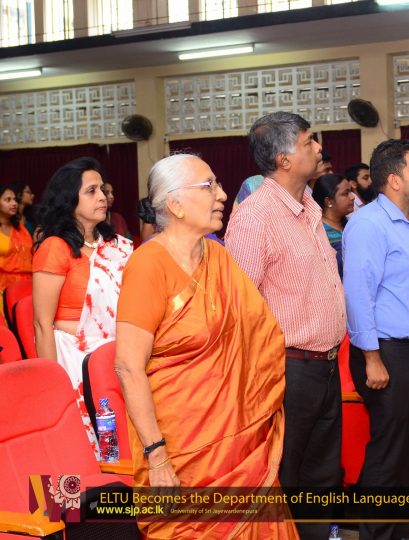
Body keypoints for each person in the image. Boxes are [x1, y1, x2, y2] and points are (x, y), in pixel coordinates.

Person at [114, 154, 296, 539]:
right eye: (209, 185)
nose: (222, 194)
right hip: (181, 446)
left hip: (240, 440)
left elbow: (259, 336)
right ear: (175, 205)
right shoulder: (148, 265)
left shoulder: (219, 257)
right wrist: (157, 455)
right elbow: (128, 366)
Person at [226, 112, 346, 540]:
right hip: (286, 369)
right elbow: (239, 311)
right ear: (283, 159)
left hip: (326, 364)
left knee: (322, 474)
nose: (318, 148)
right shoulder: (254, 218)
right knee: (286, 474)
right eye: (309, 142)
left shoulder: (309, 206)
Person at [343, 139, 409, 540]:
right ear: (394, 180)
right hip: (388, 353)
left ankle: (398, 533)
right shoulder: (369, 225)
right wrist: (371, 358)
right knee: (389, 451)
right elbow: (358, 296)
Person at [32, 157, 133, 457]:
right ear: (69, 199)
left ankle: (121, 485)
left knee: (122, 443)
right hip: (74, 361)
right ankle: (85, 489)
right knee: (88, 450)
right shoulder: (55, 247)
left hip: (119, 355)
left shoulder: (116, 246)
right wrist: (52, 387)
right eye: (91, 191)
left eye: (102, 189)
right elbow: (42, 323)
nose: (103, 197)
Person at [312, 173, 355, 277]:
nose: (352, 197)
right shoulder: (319, 231)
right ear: (328, 201)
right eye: (345, 193)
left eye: (351, 192)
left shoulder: (351, 225)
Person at [0, 183, 33, 294]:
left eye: (15, 200)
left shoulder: (21, 229)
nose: (14, 203)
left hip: (25, 286)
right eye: (8, 200)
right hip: (3, 288)